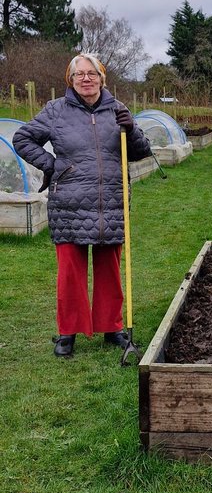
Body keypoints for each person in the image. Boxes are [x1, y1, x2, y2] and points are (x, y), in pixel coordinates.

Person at [13, 54, 152, 357]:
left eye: (92, 73)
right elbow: (22, 138)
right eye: (80, 74)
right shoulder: (56, 110)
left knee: (109, 269)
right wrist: (52, 165)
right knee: (70, 271)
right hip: (69, 204)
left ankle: (112, 327)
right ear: (71, 80)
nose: (86, 79)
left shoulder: (118, 110)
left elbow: (141, 152)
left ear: (103, 78)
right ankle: (68, 332)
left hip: (109, 202)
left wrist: (133, 130)